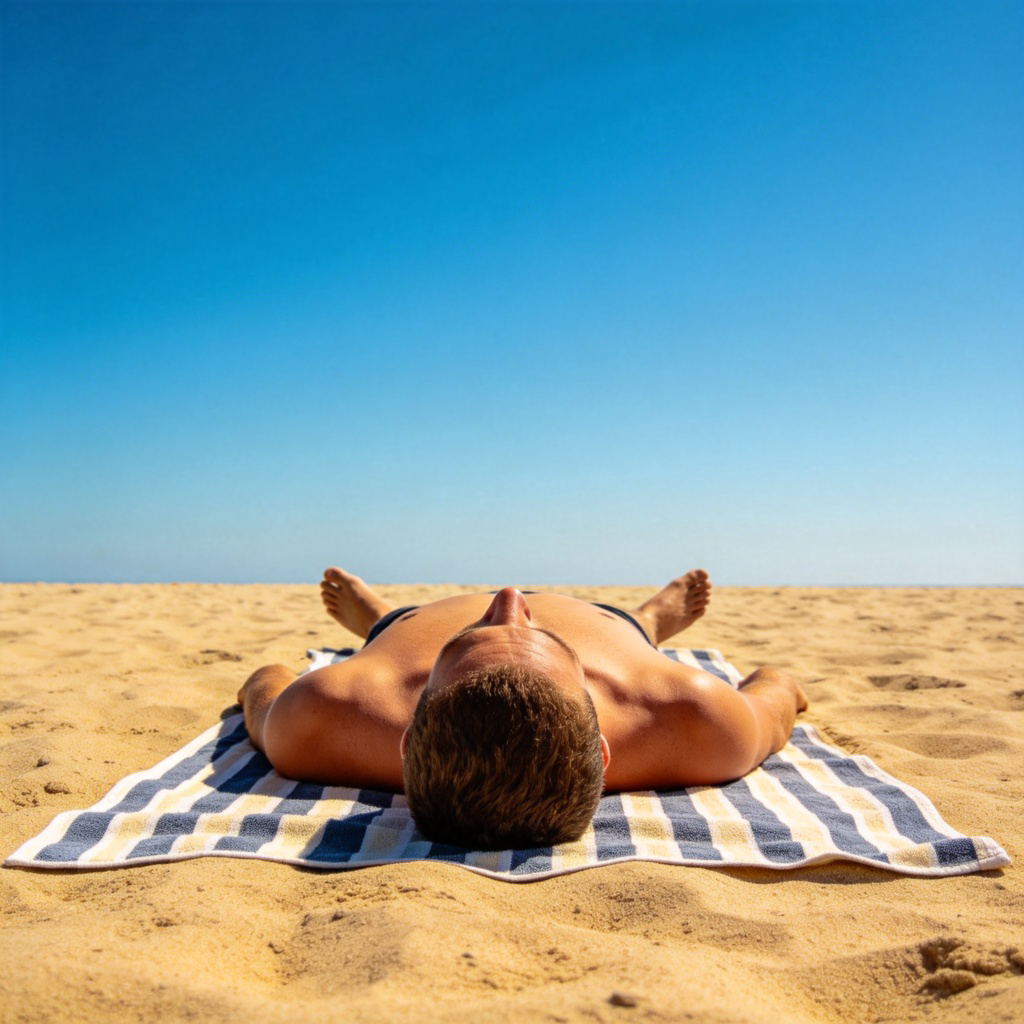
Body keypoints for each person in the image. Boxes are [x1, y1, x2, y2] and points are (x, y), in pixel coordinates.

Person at [238, 567, 808, 849]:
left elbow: (263, 686)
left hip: (412, 622)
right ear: (601, 748)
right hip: (608, 622)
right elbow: (779, 695)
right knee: (635, 631)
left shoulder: (323, 715)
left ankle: (381, 620)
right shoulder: (696, 718)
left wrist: (279, 690)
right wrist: (772, 683)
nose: (508, 600)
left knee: (391, 631)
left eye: (461, 646)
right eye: (557, 650)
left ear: (408, 737)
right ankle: (651, 621)